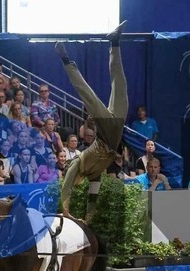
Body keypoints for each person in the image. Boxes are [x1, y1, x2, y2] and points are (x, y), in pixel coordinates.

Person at [55, 21, 129, 222]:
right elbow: (92, 198)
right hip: (117, 125)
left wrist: (65, 209)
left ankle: (65, 60)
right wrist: (87, 219)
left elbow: (68, 181)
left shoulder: (78, 162)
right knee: (121, 85)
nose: (74, 176)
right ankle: (114, 42)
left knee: (86, 93)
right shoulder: (94, 175)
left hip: (104, 131)